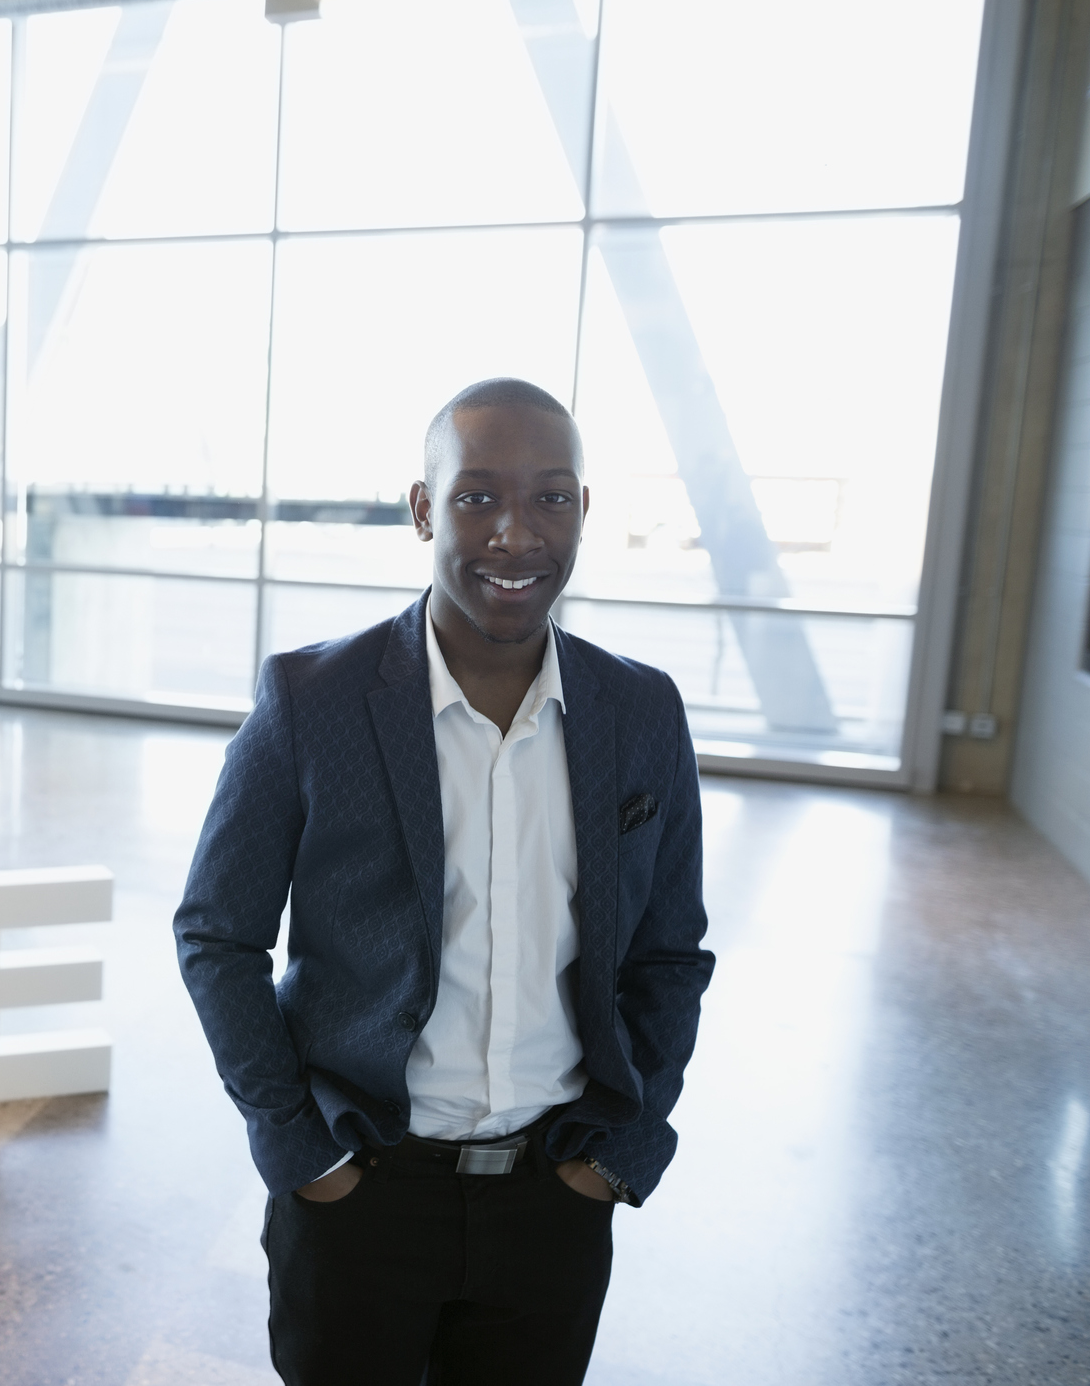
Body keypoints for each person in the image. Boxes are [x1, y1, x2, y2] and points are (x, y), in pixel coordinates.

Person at [173, 378, 714, 1385]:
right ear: (424, 509)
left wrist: (622, 1151)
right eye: (477, 497)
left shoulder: (641, 710)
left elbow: (669, 953)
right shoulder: (313, 699)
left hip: (554, 1193)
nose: (516, 532)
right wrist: (298, 1148)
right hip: (362, 1186)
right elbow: (217, 934)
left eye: (550, 497)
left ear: (583, 511)